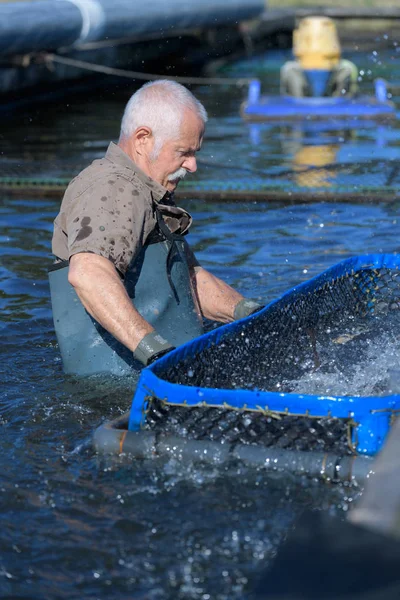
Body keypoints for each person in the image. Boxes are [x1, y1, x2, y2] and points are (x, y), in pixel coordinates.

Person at [49, 80, 262, 377]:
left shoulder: (145, 191)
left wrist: (253, 314)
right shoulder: (114, 188)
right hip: (120, 387)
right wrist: (160, 356)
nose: (193, 165)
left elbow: (188, 281)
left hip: (163, 373)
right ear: (142, 139)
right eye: (183, 152)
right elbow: (88, 274)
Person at [280, 16, 358, 98]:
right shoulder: (290, 68)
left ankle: (339, 98)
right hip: (307, 66)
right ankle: (297, 99)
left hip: (330, 66)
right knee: (289, 70)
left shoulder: (346, 68)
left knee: (347, 70)